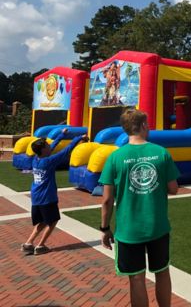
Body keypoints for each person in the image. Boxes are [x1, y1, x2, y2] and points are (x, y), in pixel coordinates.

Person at [100, 108, 180, 307]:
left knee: (136, 278)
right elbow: (174, 189)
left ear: (125, 129)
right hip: (157, 226)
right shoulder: (161, 153)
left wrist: (104, 228)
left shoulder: (115, 158)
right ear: (144, 126)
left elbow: (107, 200)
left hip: (129, 231)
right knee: (162, 272)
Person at [21, 129, 88, 255]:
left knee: (42, 221)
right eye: (47, 146)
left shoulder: (36, 159)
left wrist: (62, 135)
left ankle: (28, 243)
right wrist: (79, 138)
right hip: (47, 197)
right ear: (43, 150)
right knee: (52, 221)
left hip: (36, 196)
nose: (49, 146)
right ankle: (40, 246)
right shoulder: (48, 161)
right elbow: (66, 150)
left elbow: (52, 147)